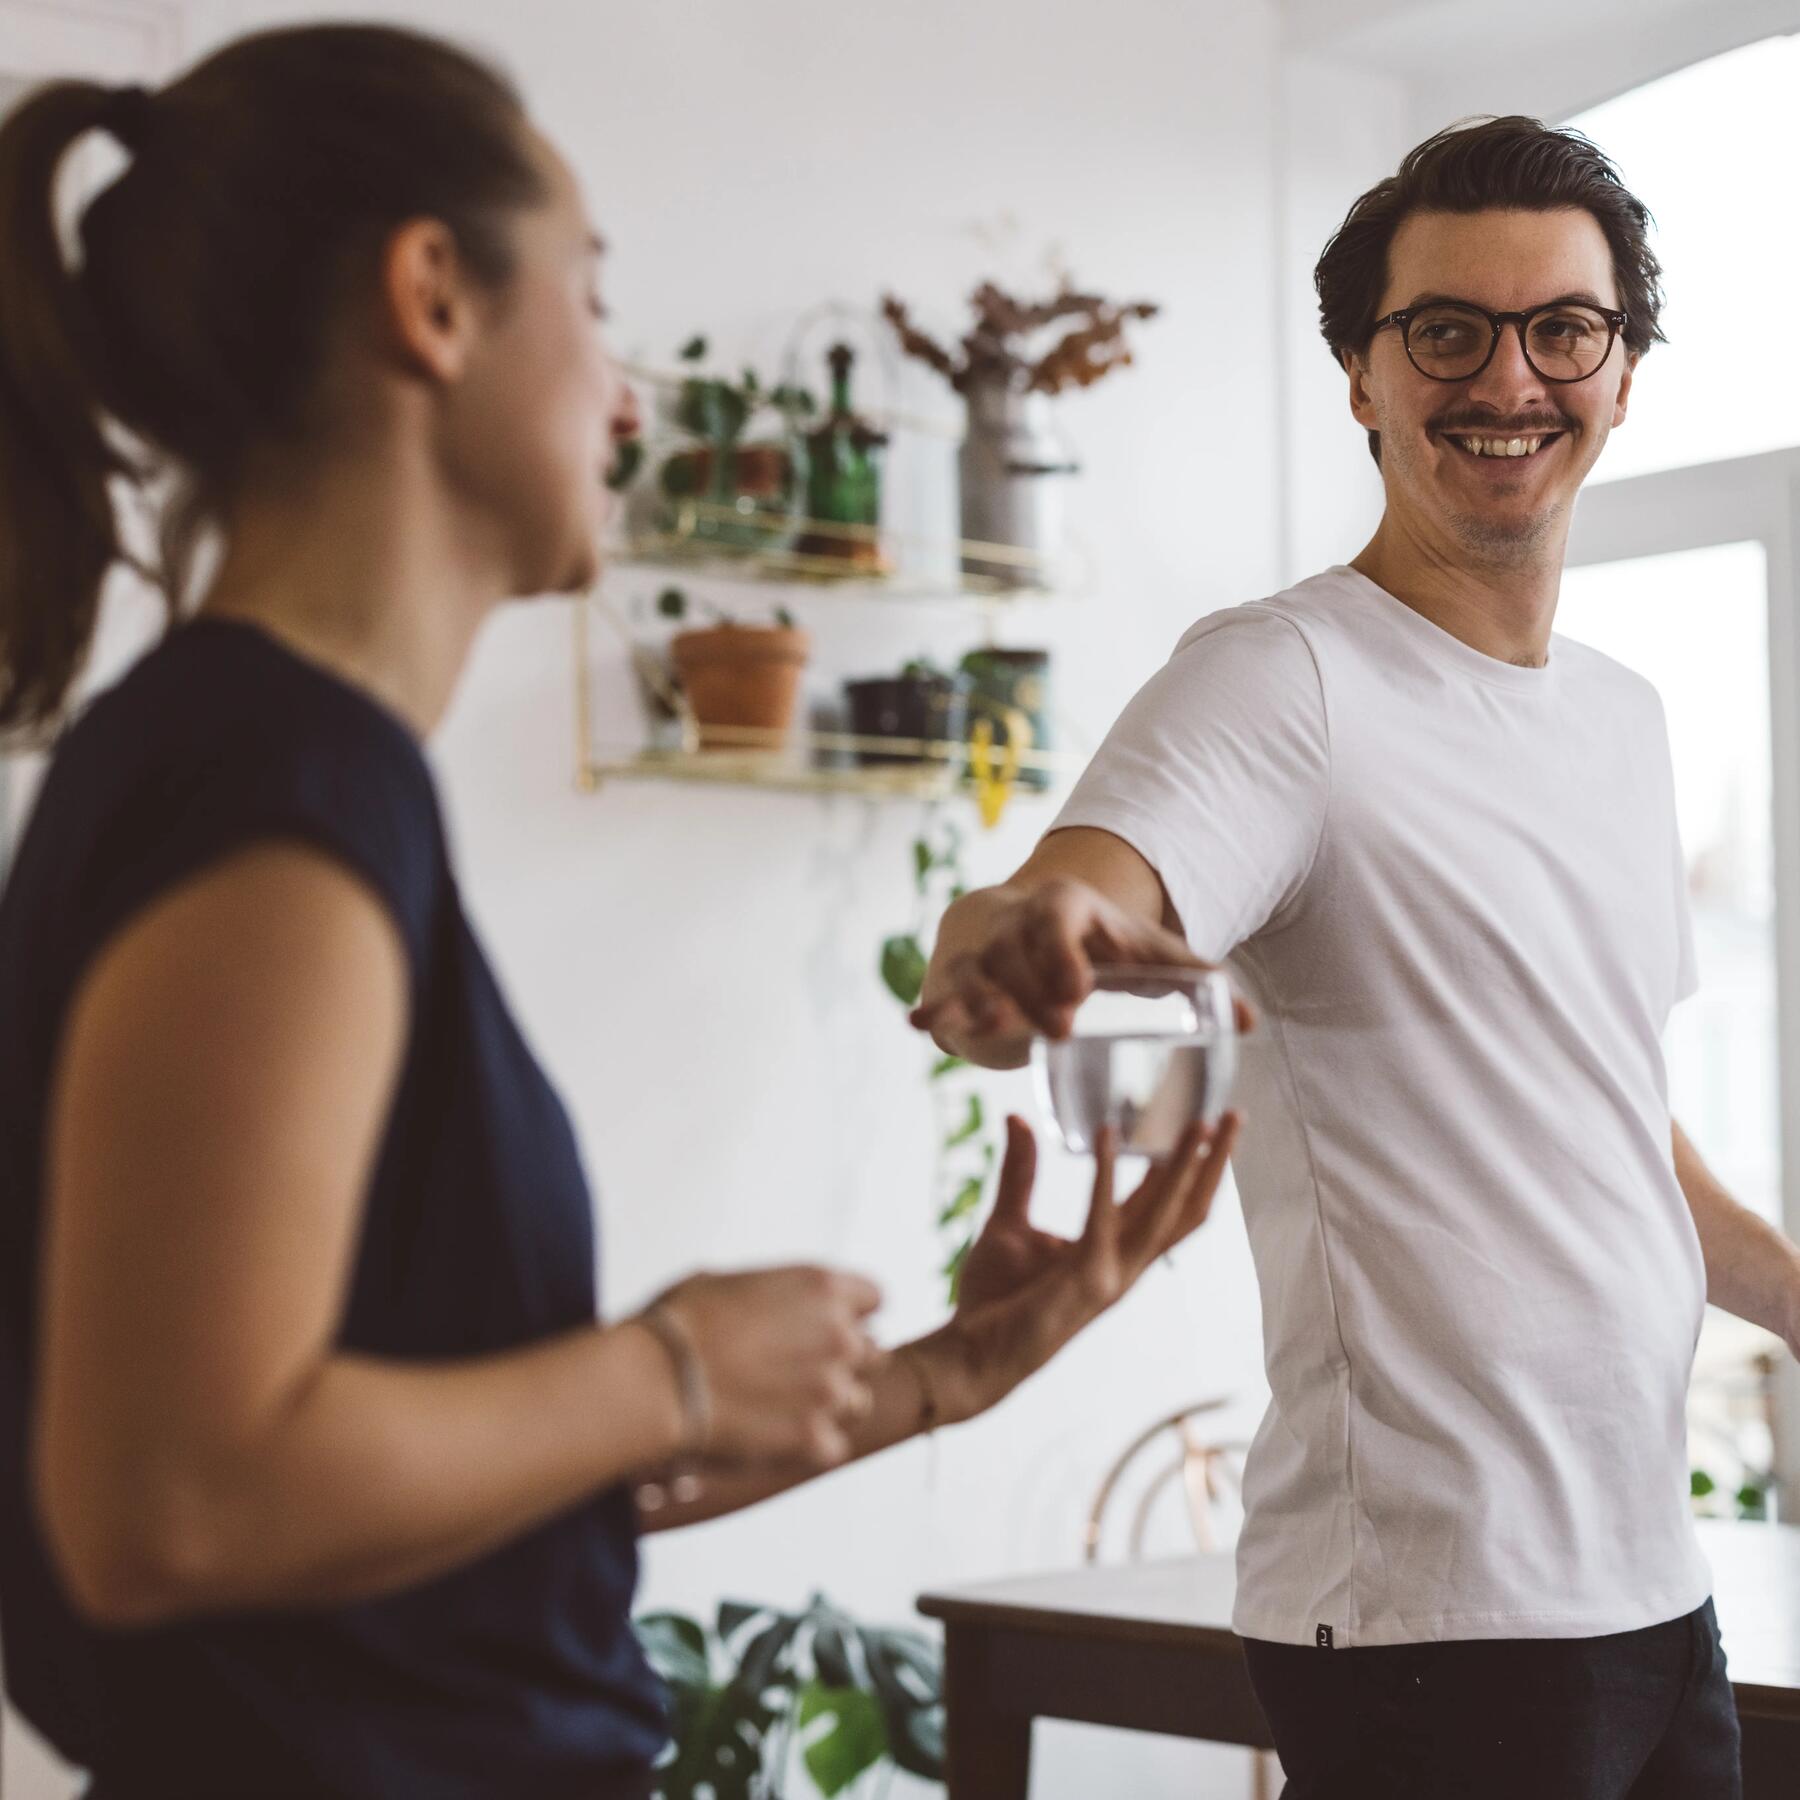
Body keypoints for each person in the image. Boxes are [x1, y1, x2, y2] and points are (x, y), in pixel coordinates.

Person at [0, 24, 1242, 1798]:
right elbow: (172, 1502)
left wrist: (954, 1373)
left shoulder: (276, 766)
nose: (633, 395)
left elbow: (430, 1505)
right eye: (592, 297)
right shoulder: (269, 781)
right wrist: (664, 1366)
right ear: (433, 297)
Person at [917, 117, 1800, 1798]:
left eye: (1565, 330)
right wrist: (1014, 940)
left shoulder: (1623, 720)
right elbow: (1083, 896)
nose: (1511, 379)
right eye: (1446, 332)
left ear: (1624, 374)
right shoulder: (1284, 680)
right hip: (1430, 1620)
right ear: (1360, 375)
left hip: (1648, 1583)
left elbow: (1614, 1129)